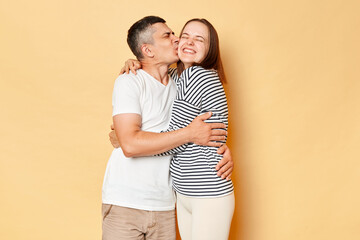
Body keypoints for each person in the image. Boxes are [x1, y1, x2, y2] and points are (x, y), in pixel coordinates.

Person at [102, 16, 233, 240]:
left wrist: (219, 148)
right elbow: (131, 145)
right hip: (126, 200)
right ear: (148, 50)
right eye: (169, 35)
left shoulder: (185, 80)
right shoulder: (133, 80)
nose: (178, 39)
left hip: (167, 202)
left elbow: (210, 122)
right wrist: (190, 135)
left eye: (175, 34)